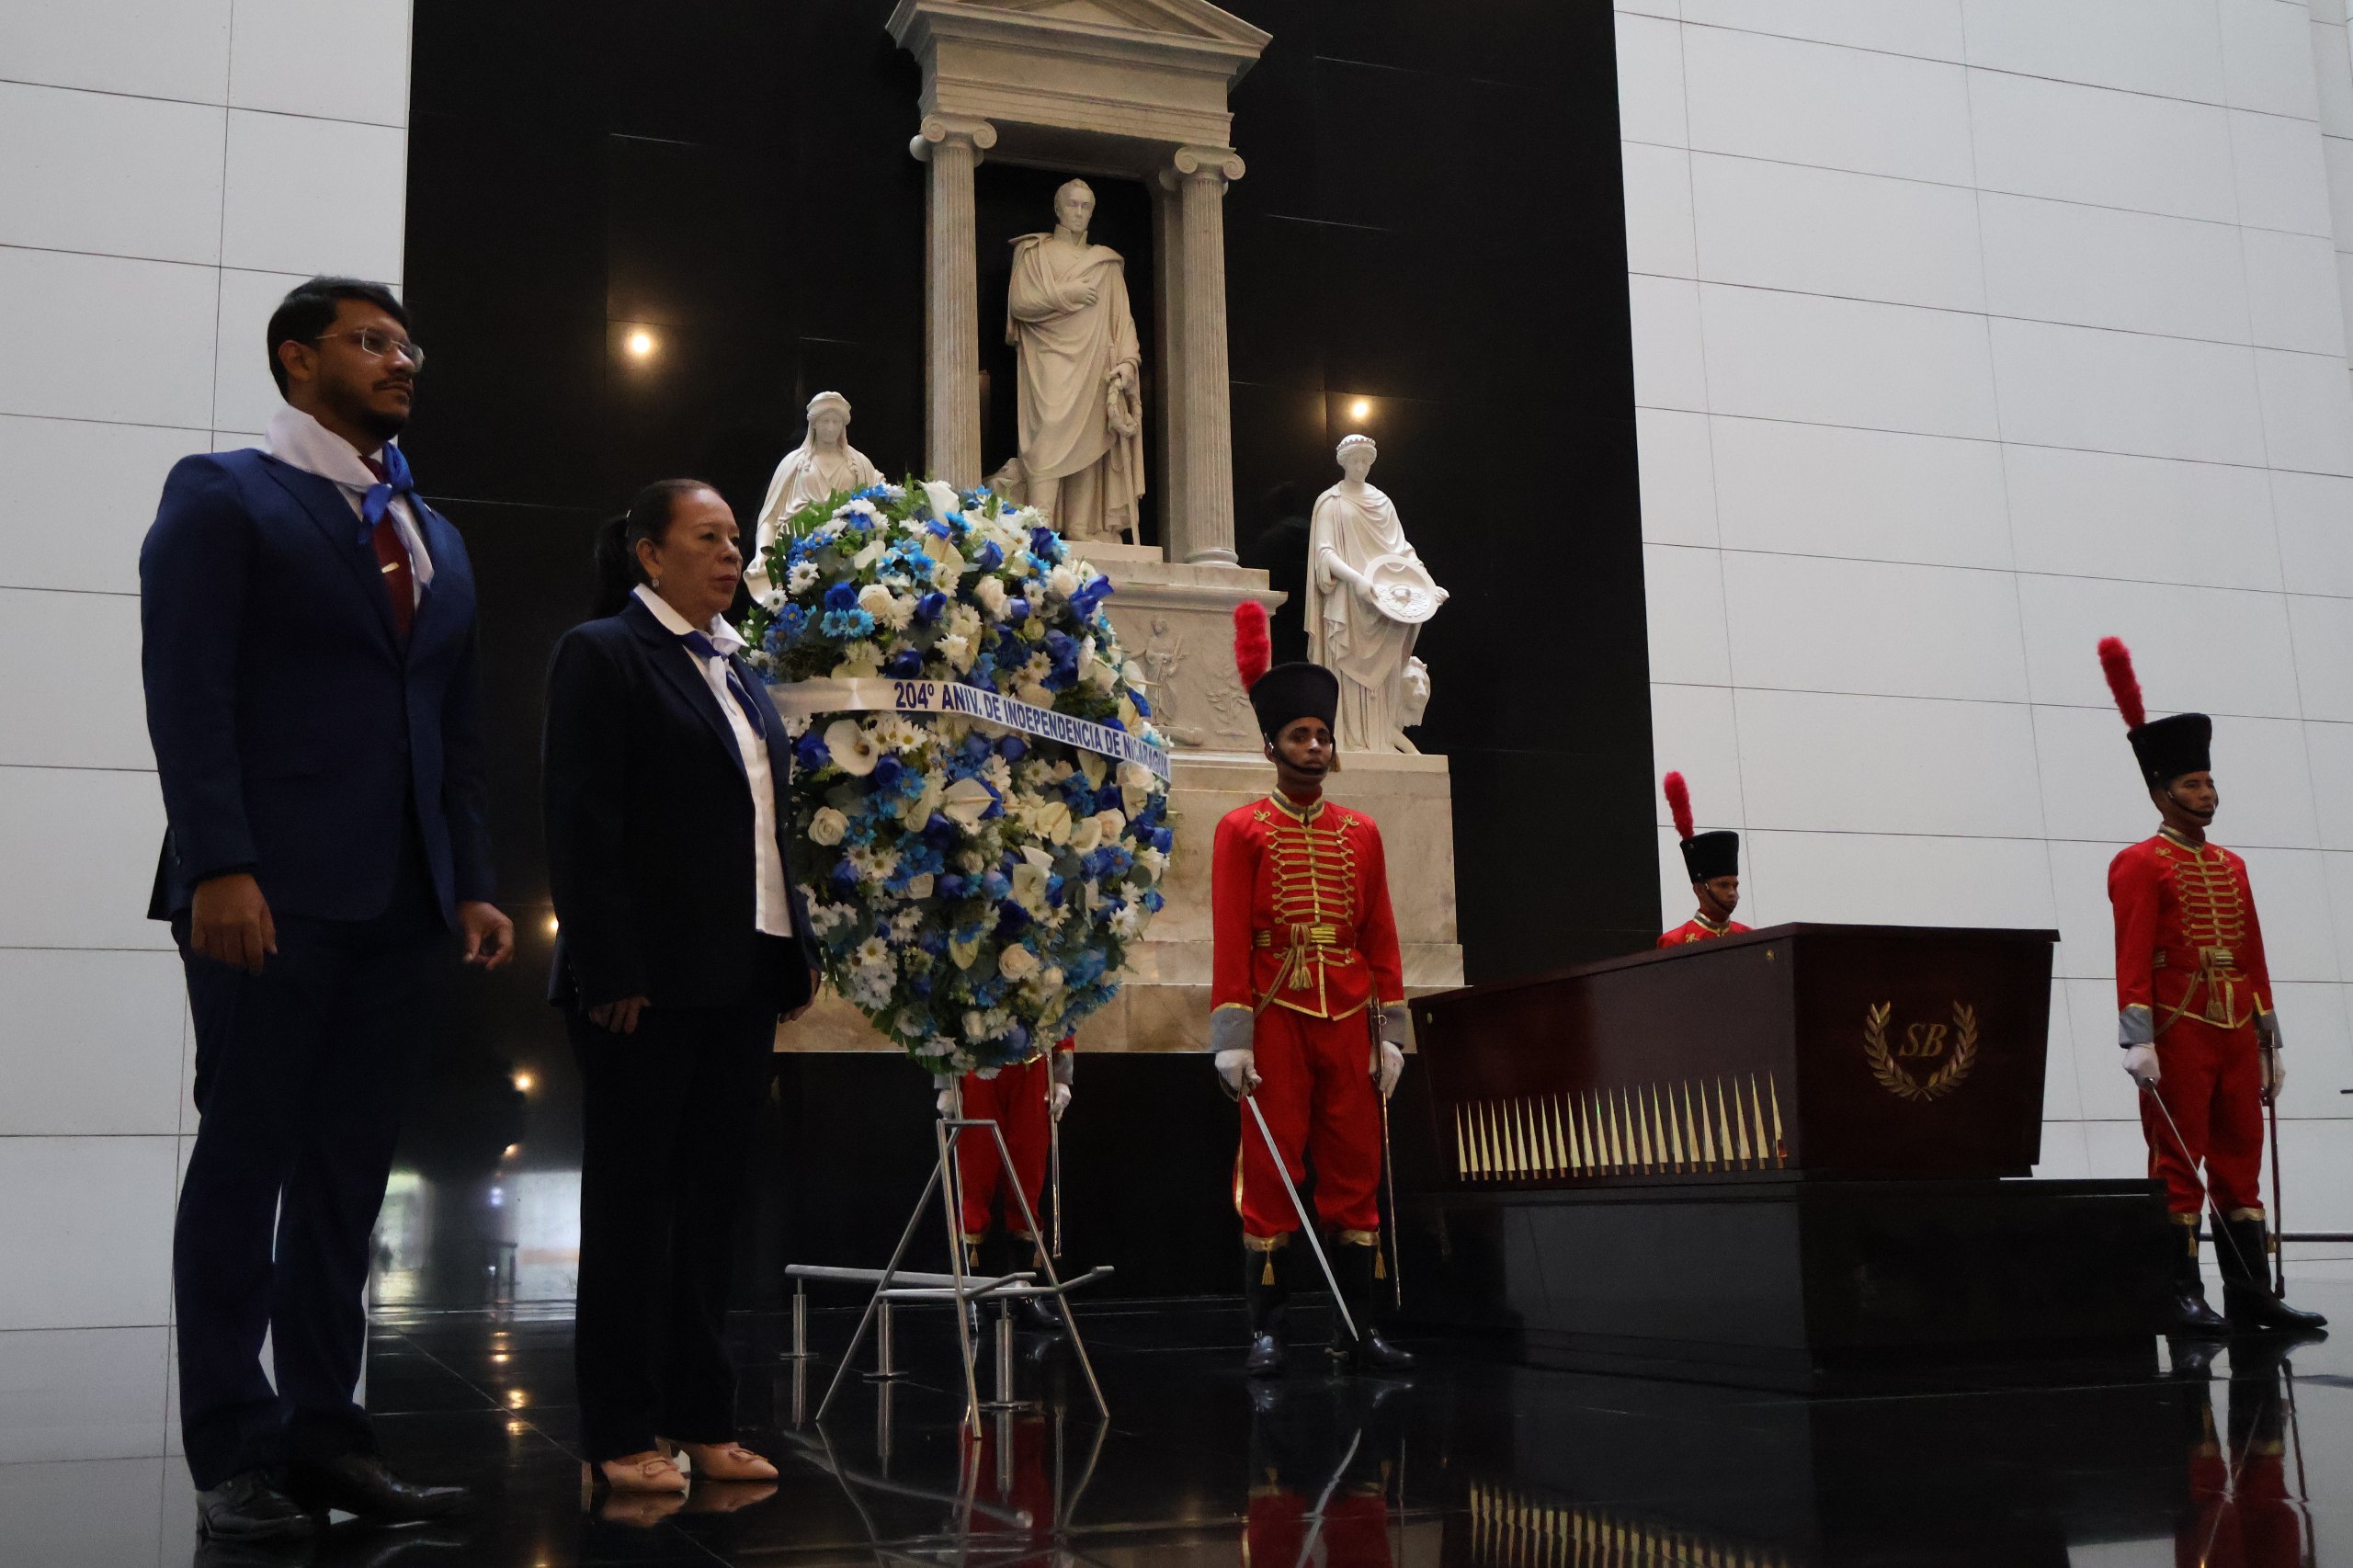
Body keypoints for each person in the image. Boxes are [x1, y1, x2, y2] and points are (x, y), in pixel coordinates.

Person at [141, 276, 513, 1542]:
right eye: (371, 340)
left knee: (349, 1181)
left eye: (407, 339)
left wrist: (466, 876)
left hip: (399, 899)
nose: (403, 357)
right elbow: (186, 693)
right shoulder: (225, 495)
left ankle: (327, 1437)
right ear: (298, 360)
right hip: (266, 892)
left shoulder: (433, 531)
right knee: (247, 1166)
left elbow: (452, 729)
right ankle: (233, 1446)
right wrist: (218, 863)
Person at [542, 479, 824, 1495]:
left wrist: (787, 950)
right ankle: (620, 1429)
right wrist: (608, 964)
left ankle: (704, 1417)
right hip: (644, 983)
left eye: (736, 539)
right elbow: (583, 822)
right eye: (707, 538)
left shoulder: (739, 671)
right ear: (648, 555)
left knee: (714, 1204)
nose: (731, 555)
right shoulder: (604, 652)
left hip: (738, 971)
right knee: (633, 1209)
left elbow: (762, 830)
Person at [2097, 638, 2326, 1335]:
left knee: (2240, 1160)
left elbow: (2253, 953)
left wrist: (2268, 1040)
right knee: (2178, 1160)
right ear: (2162, 790)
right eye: (2193, 786)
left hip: (2233, 1030)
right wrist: (2136, 1041)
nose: (2208, 795)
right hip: (2177, 1028)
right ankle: (2179, 1292)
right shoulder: (2139, 864)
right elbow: (2130, 956)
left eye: (2210, 784)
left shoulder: (2232, 865)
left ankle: (2250, 1293)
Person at [1211, 601, 1415, 1377]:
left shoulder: (1361, 833)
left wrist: (1391, 1031)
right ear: (1273, 745)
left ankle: (1356, 1331)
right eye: (1301, 734)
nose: (1315, 745)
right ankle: (1269, 1331)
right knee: (1270, 1175)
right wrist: (1231, 1040)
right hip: (1275, 1016)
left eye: (1323, 735)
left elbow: (1382, 935)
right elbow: (1232, 937)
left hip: (1348, 1016)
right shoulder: (1242, 830)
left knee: (1356, 1171)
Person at [953, 1038, 1074, 1330]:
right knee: (976, 1176)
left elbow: (1063, 1005)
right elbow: (944, 1011)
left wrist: (1061, 1077)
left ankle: (1024, 1288)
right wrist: (945, 1081)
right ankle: (971, 1291)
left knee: (1027, 1177)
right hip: (978, 1065)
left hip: (1031, 1067)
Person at [745, 391, 882, 600]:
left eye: (835, 421)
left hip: (845, 553)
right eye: (825, 421)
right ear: (814, 424)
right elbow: (770, 517)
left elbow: (880, 498)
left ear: (843, 425)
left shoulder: (859, 464)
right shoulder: (794, 463)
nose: (830, 427)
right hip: (795, 554)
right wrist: (763, 554)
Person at [1657, 771, 1749, 947]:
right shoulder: (1675, 941)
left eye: (1735, 885)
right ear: (1700, 890)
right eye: (1723, 885)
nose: (1732, 893)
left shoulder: (1750, 936)